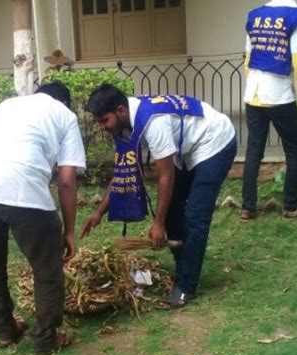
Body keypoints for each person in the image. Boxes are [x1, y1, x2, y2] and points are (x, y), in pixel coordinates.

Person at [81, 85, 236, 310]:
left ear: (121, 111)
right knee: (172, 207)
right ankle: (183, 267)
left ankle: (186, 286)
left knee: (196, 217)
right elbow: (122, 174)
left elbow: (166, 175)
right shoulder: (124, 127)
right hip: (188, 147)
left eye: (104, 121)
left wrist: (158, 223)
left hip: (215, 142)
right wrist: (98, 213)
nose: (102, 127)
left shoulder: (155, 123)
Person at [0, 81, 86, 355]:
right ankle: (45, 339)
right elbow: (66, 180)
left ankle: (5, 331)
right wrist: (67, 231)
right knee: (46, 265)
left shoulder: (7, 105)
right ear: (64, 102)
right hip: (21, 182)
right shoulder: (65, 115)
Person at [241, 0, 297, 220]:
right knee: (295, 149)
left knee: (254, 150)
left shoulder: (254, 15)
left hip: (253, 93)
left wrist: (254, 83)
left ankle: (247, 207)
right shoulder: (296, 16)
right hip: (280, 96)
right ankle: (290, 205)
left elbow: (247, 57)